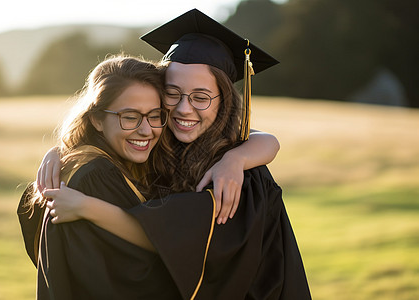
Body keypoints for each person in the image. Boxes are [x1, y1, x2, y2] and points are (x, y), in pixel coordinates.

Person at [41, 9, 311, 300]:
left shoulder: (239, 179)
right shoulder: (157, 147)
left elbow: (173, 241)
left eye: (200, 97)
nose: (183, 109)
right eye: (172, 93)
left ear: (224, 101)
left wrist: (236, 160)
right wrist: (64, 151)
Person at [18, 55, 199, 299]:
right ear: (96, 119)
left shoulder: (94, 164)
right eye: (130, 117)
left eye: (154, 115)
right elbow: (141, 273)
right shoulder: (96, 177)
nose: (146, 130)